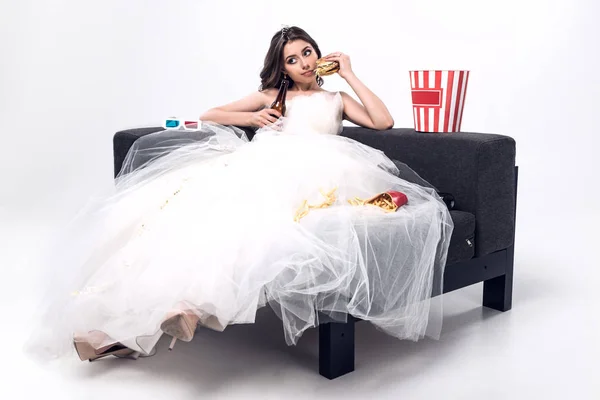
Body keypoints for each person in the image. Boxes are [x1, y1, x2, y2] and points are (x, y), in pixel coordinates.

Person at [25, 26, 453, 363]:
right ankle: (134, 322)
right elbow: (211, 114)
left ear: (319, 56)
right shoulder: (273, 95)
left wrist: (351, 74)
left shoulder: (335, 97)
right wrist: (255, 116)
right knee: (210, 217)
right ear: (281, 68)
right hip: (267, 165)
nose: (303, 62)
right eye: (292, 59)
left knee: (258, 225)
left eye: (307, 53)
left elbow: (383, 119)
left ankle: (189, 306)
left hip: (322, 172)